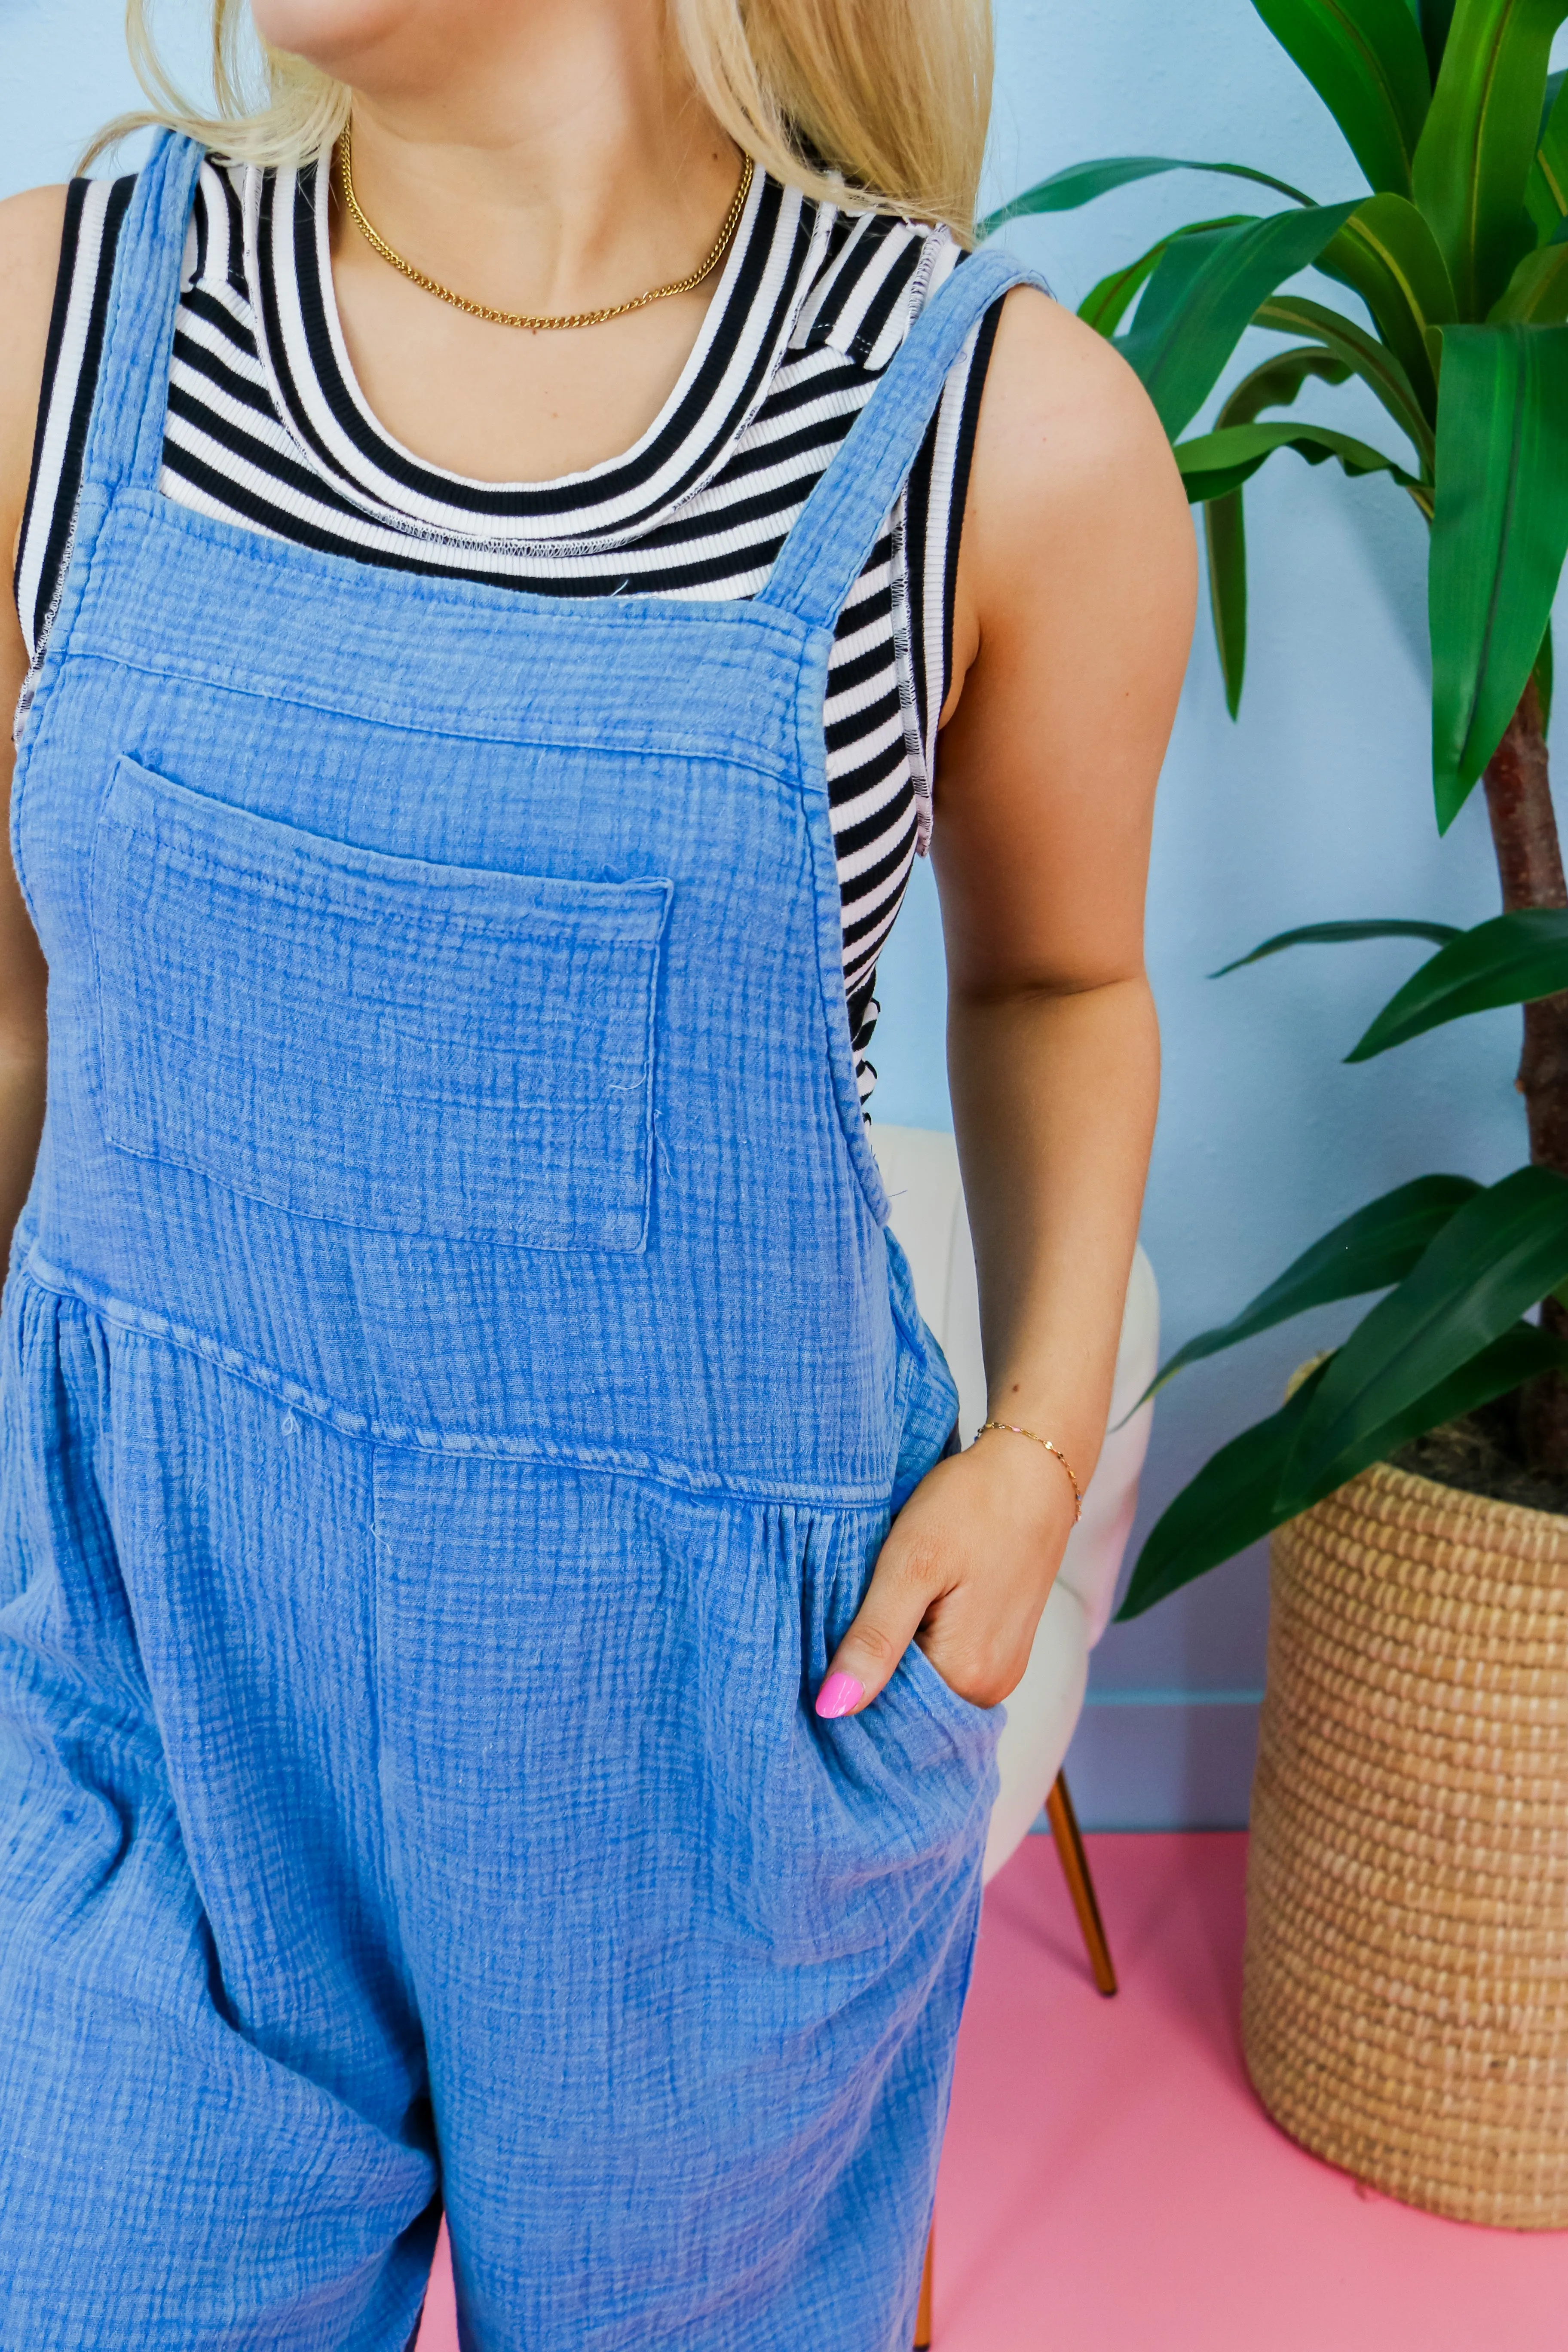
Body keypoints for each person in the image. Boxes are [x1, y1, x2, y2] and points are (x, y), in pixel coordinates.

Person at [0, 2, 1193, 2345]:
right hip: (144, 1641)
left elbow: (1058, 984)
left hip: (703, 1744)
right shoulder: (53, 326)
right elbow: (17, 999)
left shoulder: (1000, 430)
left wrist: (1040, 1458)